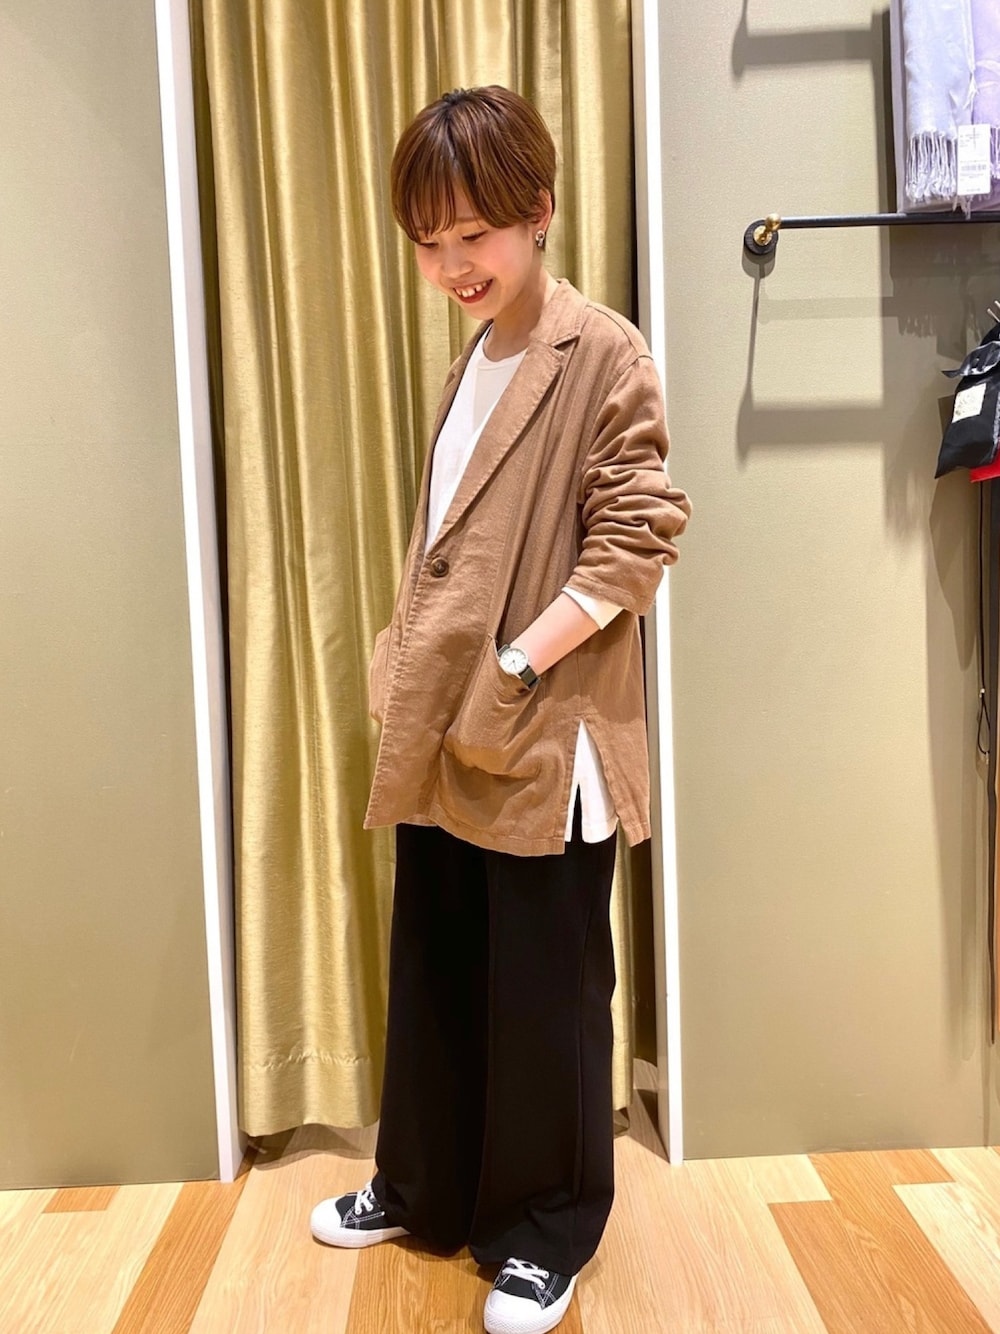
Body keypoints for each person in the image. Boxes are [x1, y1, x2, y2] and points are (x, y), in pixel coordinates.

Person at [310, 85, 690, 1334]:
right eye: (428, 242)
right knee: (439, 964)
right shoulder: (473, 357)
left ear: (537, 211)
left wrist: (519, 663)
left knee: (544, 990)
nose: (451, 265)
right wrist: (409, 666)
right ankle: (421, 1186)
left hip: (545, 730)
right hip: (443, 721)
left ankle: (544, 1229)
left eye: (471, 233)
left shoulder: (603, 352)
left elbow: (638, 536)